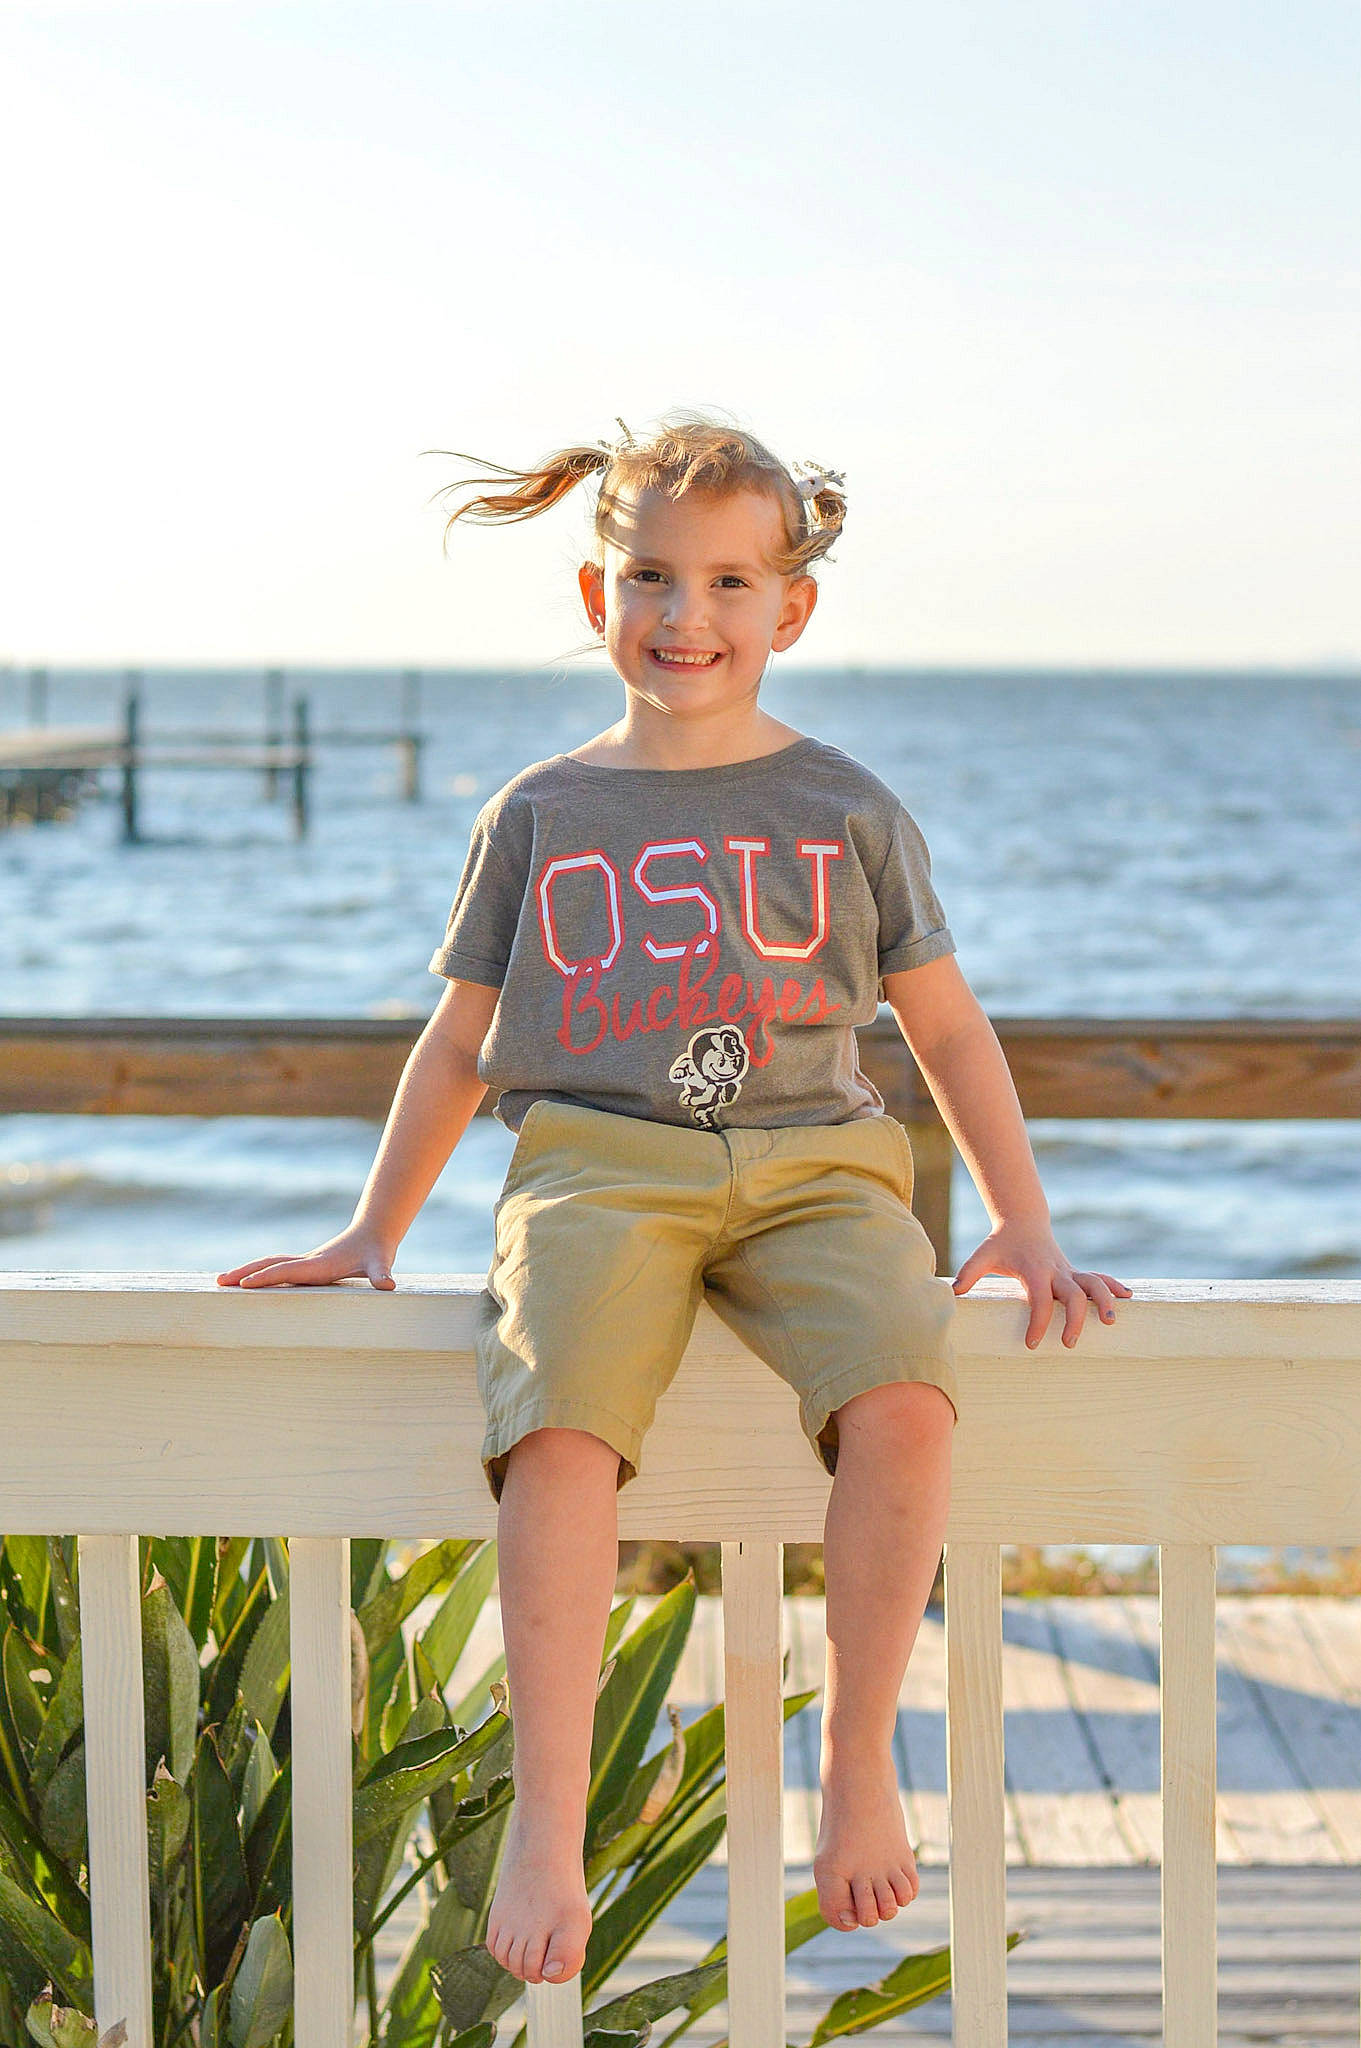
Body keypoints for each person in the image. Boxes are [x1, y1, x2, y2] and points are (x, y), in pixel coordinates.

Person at [218, 411, 1132, 1990]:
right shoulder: (541, 813)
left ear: (793, 609)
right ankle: (549, 1818)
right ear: (595, 599)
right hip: (596, 1163)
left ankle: (857, 1760)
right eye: (649, 575)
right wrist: (371, 1234)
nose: (684, 613)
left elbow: (947, 1026)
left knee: (906, 1399)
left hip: (817, 1164)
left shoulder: (849, 808)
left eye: (727, 579)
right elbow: (458, 1036)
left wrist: (1024, 1219)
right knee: (561, 1428)